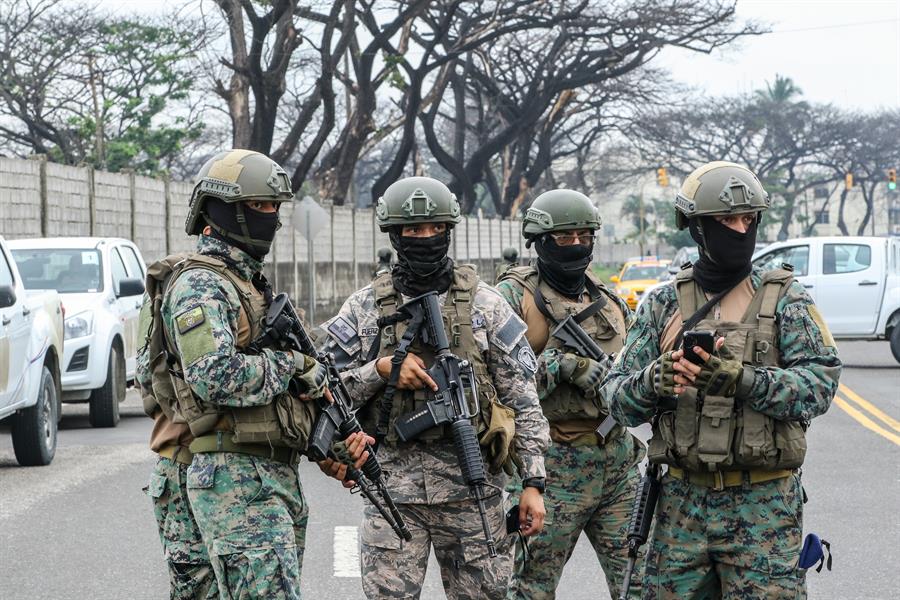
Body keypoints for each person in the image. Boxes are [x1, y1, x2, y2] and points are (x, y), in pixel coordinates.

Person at [137, 149, 371, 599]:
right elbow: (214, 375)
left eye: (275, 207)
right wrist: (294, 366)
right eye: (260, 206)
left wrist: (331, 445)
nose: (272, 219)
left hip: (256, 473)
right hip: (235, 479)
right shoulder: (201, 285)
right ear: (223, 210)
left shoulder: (248, 285)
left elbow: (274, 400)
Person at [603, 161, 841, 599]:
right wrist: (654, 380)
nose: (740, 229)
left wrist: (743, 380)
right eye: (726, 220)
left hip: (763, 507)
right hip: (680, 508)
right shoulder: (661, 304)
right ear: (697, 229)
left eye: (748, 219)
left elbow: (820, 385)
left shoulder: (785, 298)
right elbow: (615, 398)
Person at [319, 176, 551, 600]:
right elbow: (326, 393)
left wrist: (533, 483)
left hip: (473, 494)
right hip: (392, 494)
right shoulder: (363, 308)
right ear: (394, 233)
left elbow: (524, 399)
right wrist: (381, 370)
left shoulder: (487, 305)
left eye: (435, 229)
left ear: (449, 230)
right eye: (412, 230)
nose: (425, 238)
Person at [495, 189, 642, 599]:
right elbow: (489, 381)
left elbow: (636, 370)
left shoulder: (609, 299)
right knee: (530, 588)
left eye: (583, 236)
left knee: (642, 584)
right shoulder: (513, 298)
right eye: (564, 237)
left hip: (617, 464)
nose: (576, 245)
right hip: (549, 467)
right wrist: (562, 366)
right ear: (540, 241)